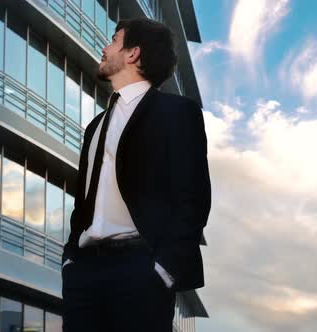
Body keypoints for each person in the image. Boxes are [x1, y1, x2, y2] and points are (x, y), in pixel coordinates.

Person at [61, 17, 211, 332]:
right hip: (84, 273)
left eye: (114, 40)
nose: (105, 47)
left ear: (133, 54)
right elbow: (84, 201)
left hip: (141, 270)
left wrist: (163, 270)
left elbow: (193, 199)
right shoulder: (95, 126)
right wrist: (70, 259)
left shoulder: (178, 113)